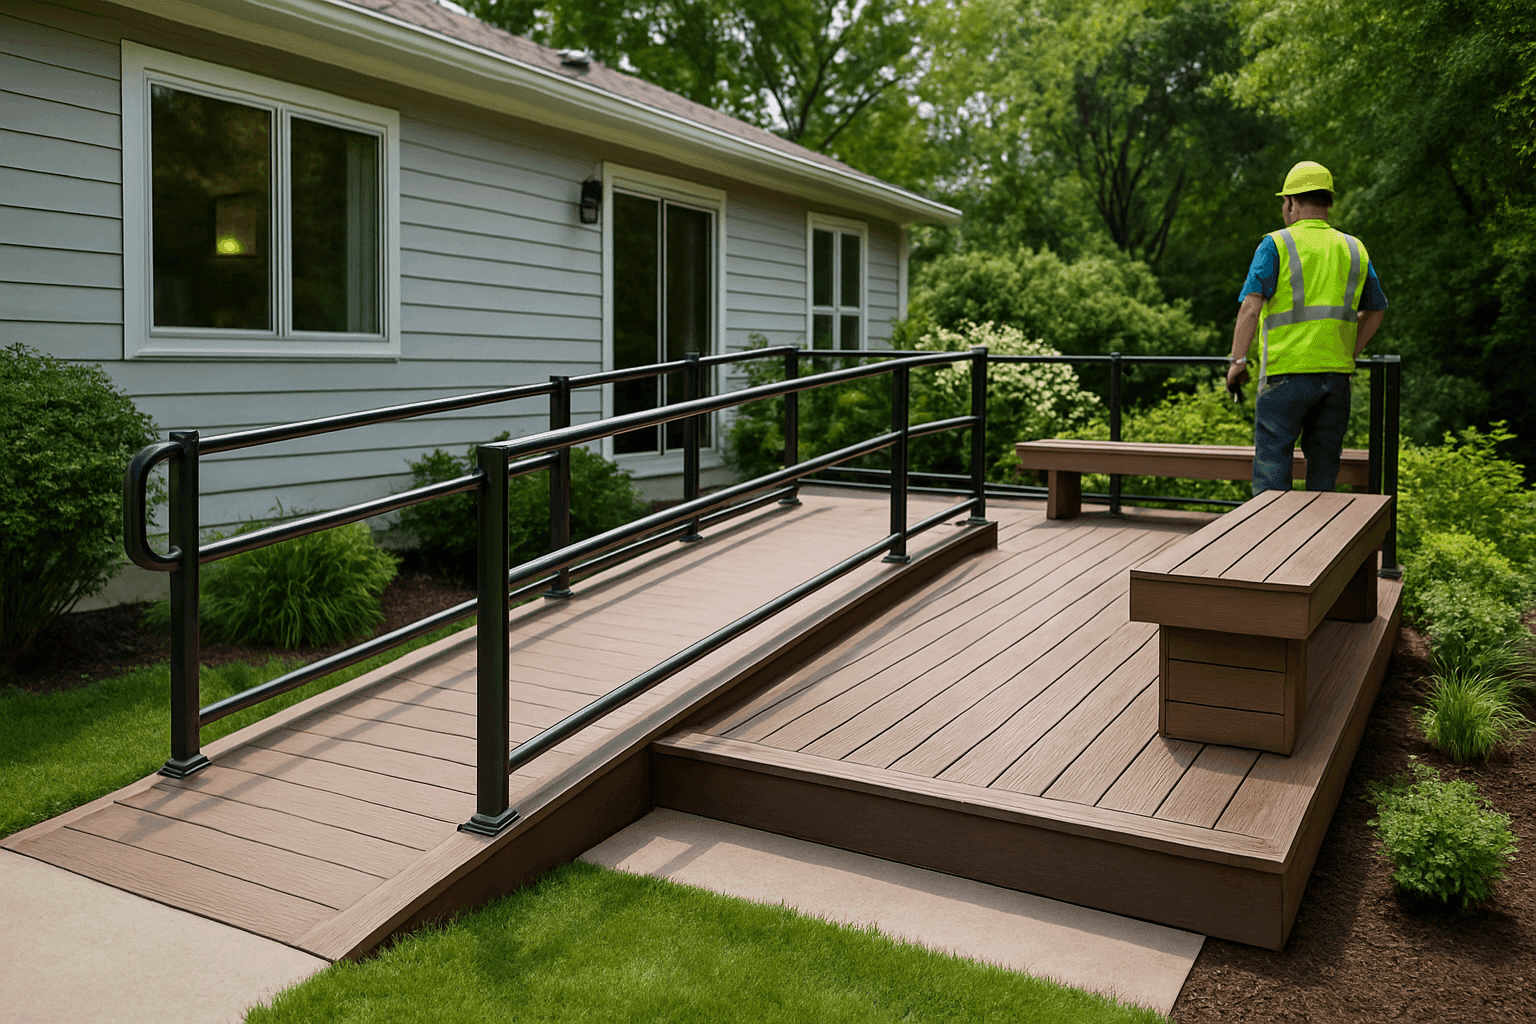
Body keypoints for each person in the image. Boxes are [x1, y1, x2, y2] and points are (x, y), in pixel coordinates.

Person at [1226, 161, 1387, 493]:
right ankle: (1320, 544)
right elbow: (1375, 311)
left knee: (1272, 470)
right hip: (1336, 378)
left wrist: (1237, 362)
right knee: (1325, 470)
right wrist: (1347, 350)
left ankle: (1274, 543)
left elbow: (1250, 307)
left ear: (1291, 202)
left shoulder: (1276, 244)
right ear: (1328, 202)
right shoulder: (1354, 248)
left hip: (1286, 373)